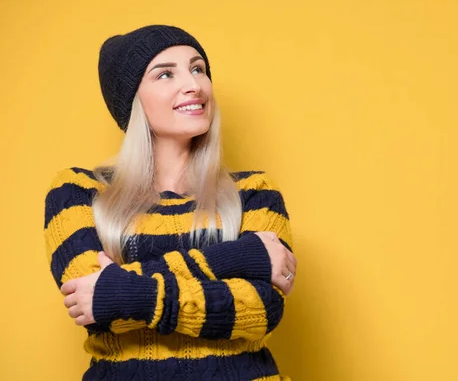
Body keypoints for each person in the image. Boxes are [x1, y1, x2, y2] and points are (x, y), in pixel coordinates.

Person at [43, 24, 297, 380]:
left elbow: (262, 310)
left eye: (198, 69)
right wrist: (245, 256)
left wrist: (130, 292)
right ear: (133, 100)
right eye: (165, 74)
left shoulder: (254, 191)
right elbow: (94, 302)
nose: (193, 84)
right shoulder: (79, 190)